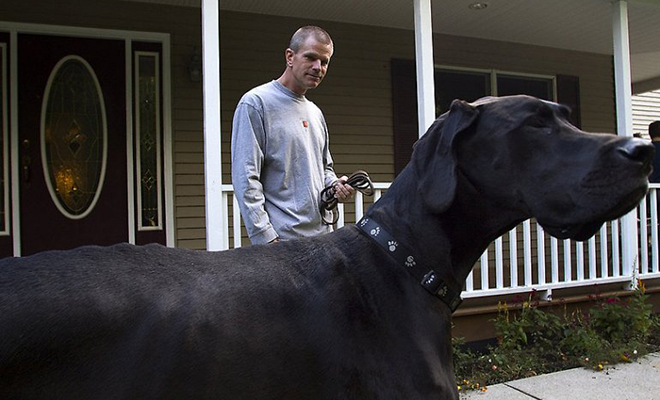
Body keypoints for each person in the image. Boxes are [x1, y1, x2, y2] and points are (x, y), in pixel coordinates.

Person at [231, 26, 355, 245]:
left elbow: (324, 169)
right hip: (281, 244)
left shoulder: (315, 113)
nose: (318, 67)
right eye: (311, 58)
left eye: (324, 62)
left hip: (321, 238)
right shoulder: (256, 104)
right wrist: (266, 239)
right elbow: (246, 178)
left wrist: (335, 186)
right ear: (290, 56)